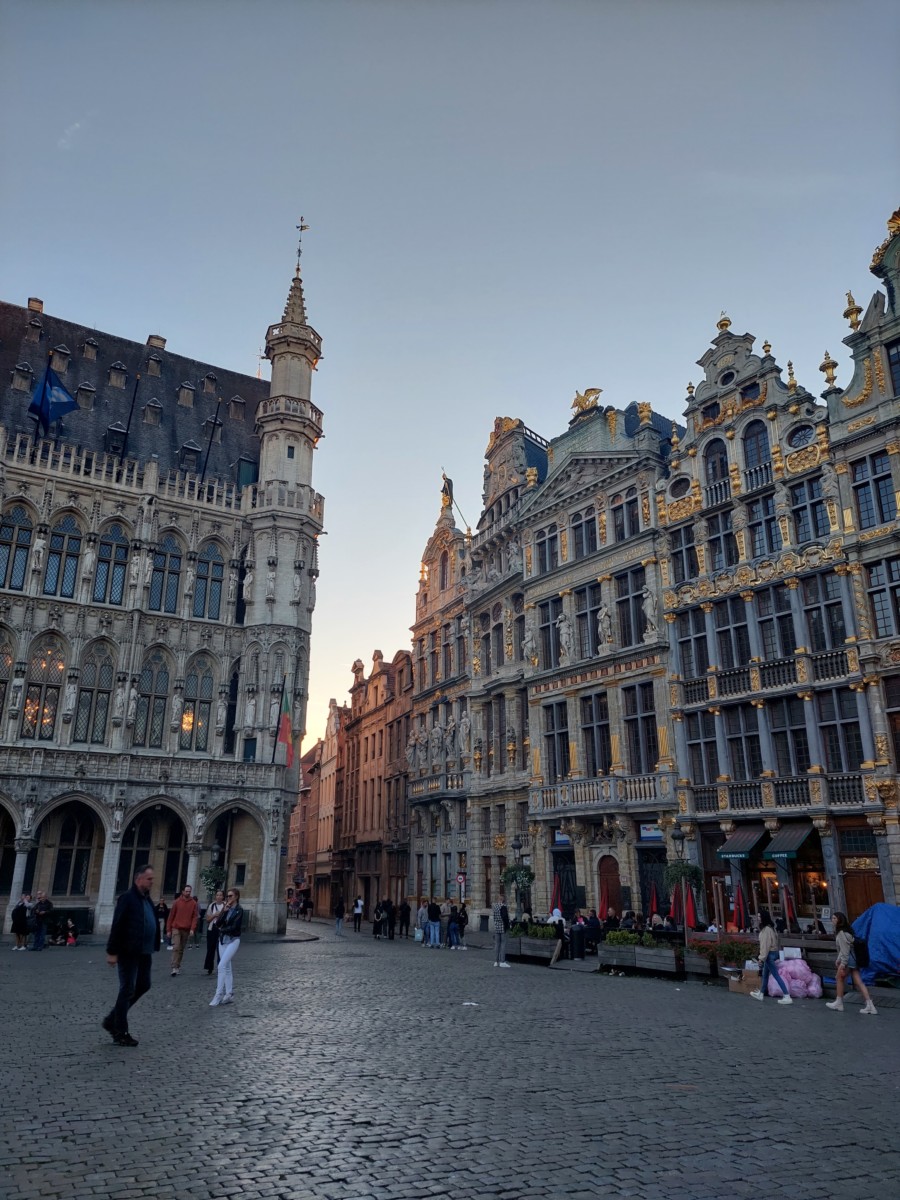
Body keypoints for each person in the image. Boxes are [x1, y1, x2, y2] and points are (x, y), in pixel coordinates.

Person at [103, 864, 159, 1046]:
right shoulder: (127, 898)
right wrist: (112, 952)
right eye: (149, 879)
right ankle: (120, 1032)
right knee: (127, 988)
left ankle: (112, 1019)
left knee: (144, 985)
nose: (152, 882)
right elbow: (117, 924)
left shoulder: (146, 899)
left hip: (144, 950)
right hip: (129, 950)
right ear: (138, 879)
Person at [826, 912, 877, 1015]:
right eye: (832, 918)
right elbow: (846, 948)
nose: (833, 920)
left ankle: (839, 1002)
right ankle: (870, 1005)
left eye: (835, 918)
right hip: (854, 959)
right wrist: (838, 959)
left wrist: (842, 964)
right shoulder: (847, 931)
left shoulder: (841, 933)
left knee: (839, 978)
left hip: (848, 960)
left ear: (840, 920)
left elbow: (845, 951)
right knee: (859, 982)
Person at [208, 888, 244, 1006]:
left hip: (233, 940)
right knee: (227, 967)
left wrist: (222, 930)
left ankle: (218, 995)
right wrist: (223, 911)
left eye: (230, 896)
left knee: (221, 965)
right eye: (227, 896)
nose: (228, 898)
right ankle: (229, 994)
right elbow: (218, 923)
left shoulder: (239, 910)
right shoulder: (226, 908)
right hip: (223, 940)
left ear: (236, 897)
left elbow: (235, 927)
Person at [750, 911, 792, 1005]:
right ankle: (761, 994)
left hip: (768, 954)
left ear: (763, 917)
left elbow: (765, 946)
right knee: (765, 975)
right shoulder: (771, 928)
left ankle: (787, 995)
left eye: (759, 916)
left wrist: (761, 958)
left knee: (776, 975)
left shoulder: (766, 930)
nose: (758, 918)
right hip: (772, 953)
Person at [165, 884, 199, 976]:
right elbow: (171, 916)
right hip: (176, 927)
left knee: (181, 949)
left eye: (189, 891)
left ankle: (177, 966)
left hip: (186, 929)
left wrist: (192, 929)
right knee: (176, 947)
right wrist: (168, 930)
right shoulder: (177, 902)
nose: (188, 893)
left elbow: (194, 917)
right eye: (186, 891)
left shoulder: (193, 903)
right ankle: (174, 967)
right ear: (183, 892)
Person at [204, 890, 225, 975]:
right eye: (217, 895)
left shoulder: (225, 906)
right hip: (212, 928)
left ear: (223, 897)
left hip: (222, 929)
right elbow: (207, 919)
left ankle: (220, 967)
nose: (219, 897)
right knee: (210, 949)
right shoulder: (211, 906)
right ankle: (209, 967)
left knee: (221, 949)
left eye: (220, 895)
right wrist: (214, 915)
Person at [492, 892, 511, 967]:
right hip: (503, 927)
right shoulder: (503, 907)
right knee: (503, 944)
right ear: (503, 900)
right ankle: (502, 961)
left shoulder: (495, 907)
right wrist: (508, 926)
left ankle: (496, 961)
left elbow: (494, 917)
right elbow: (505, 918)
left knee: (497, 944)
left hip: (497, 927)